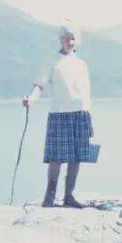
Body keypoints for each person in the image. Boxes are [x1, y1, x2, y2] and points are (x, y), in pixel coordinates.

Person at [23, 23, 95, 208]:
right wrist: (31, 98)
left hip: (81, 112)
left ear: (77, 41)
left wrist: (90, 118)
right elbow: (40, 83)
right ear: (60, 39)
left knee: (76, 156)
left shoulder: (81, 64)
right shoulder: (52, 60)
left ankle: (69, 196)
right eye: (66, 38)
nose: (69, 42)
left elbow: (86, 92)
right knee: (56, 157)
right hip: (60, 113)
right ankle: (50, 197)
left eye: (72, 38)